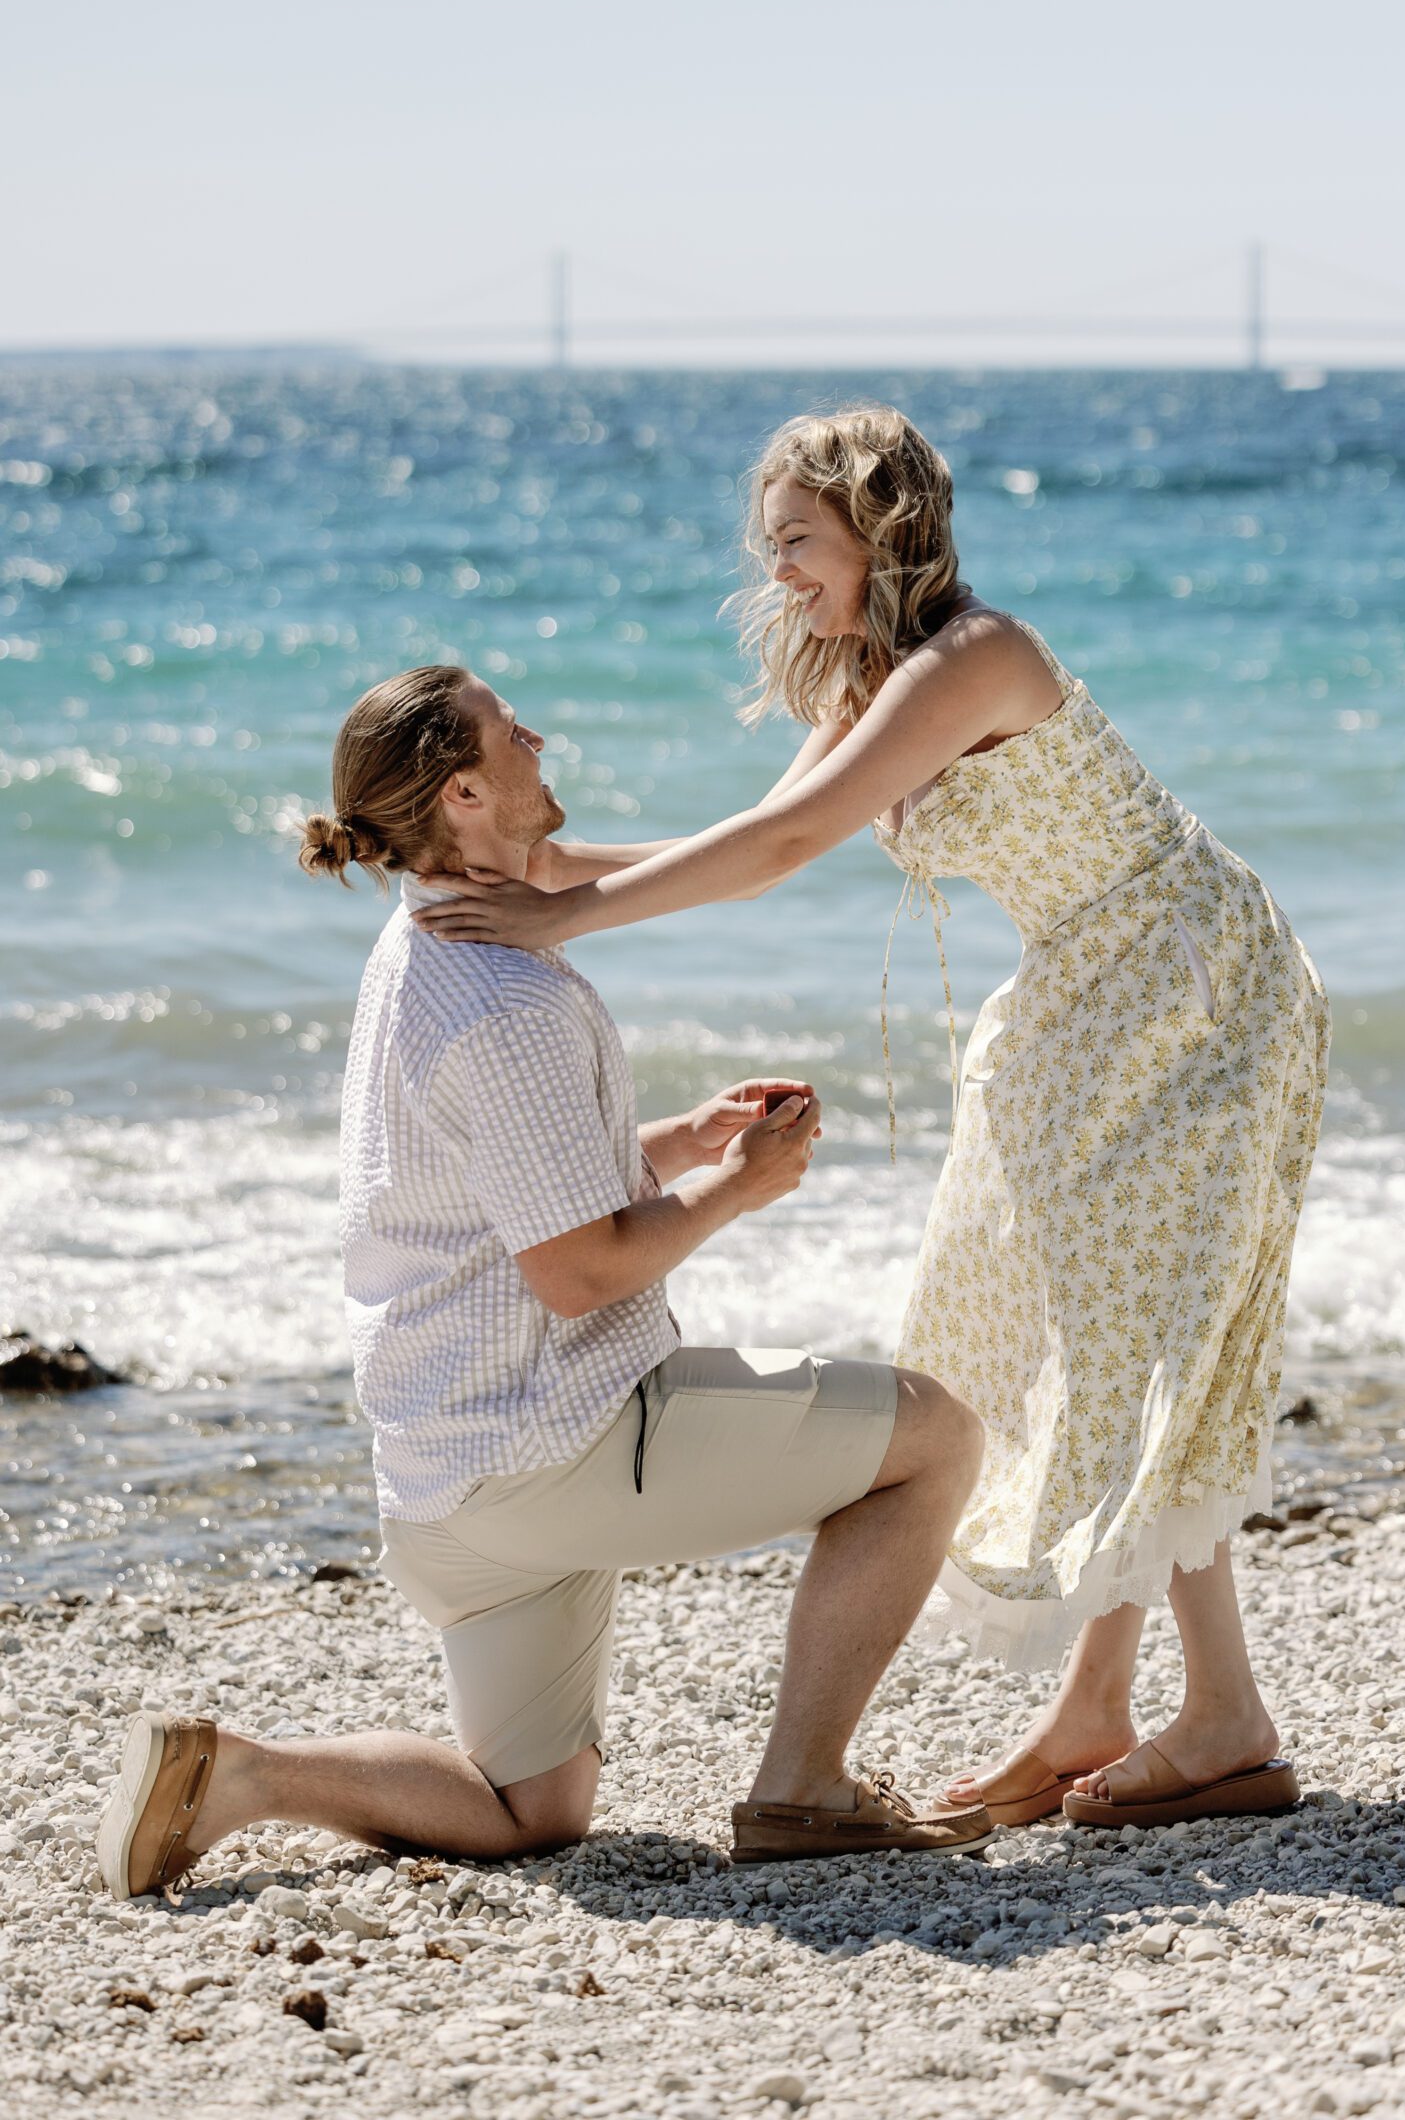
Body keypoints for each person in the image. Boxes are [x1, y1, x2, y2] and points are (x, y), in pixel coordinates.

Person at [412, 404, 1331, 1833]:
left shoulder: (977, 658)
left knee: (1145, 1334)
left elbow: (774, 852)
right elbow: (746, 844)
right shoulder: (867, 680)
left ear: (876, 523)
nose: (774, 568)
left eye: (795, 537)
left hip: (1193, 981)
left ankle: (1215, 1720)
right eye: (765, 542)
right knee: (1100, 1333)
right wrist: (505, 866)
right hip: (1086, 990)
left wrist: (561, 919)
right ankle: (1116, 1707)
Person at [96, 663, 991, 1900]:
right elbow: (577, 1273)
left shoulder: (423, 937)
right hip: (559, 1448)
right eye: (511, 728)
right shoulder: (504, 993)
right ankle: (804, 1789)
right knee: (936, 1437)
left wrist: (678, 1141)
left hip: (446, 1489)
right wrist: (739, 1187)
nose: (537, 733)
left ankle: (243, 1777)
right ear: (467, 791)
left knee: (535, 1808)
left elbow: (499, 1190)